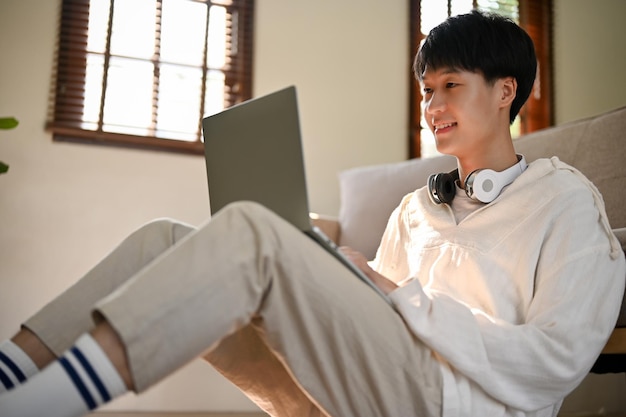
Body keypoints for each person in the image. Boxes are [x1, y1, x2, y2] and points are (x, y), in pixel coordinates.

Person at [1, 10, 624, 417]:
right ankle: (10, 380)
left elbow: (556, 361)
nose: (432, 105)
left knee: (250, 228)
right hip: (366, 387)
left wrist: (397, 294)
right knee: (162, 238)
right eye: (426, 90)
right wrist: (350, 277)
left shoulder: (564, 202)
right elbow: (371, 322)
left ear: (505, 90)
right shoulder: (416, 208)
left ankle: (39, 408)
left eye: (451, 85)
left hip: (459, 404)